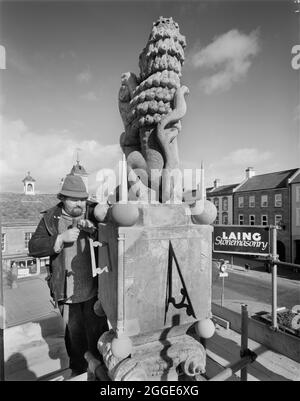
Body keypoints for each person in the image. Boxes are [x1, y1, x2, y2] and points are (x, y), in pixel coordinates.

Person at [28, 174, 108, 376]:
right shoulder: (50, 217)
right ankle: (78, 372)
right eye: (74, 199)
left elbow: (114, 236)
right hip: (67, 293)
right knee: (75, 337)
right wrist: (60, 238)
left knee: (98, 334)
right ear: (62, 198)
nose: (80, 204)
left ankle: (101, 372)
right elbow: (34, 247)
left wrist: (96, 231)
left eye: (82, 199)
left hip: (94, 291)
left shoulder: (93, 212)